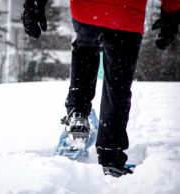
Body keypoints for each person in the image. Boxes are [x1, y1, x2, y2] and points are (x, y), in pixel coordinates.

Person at [22, 0, 180, 177]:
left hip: (87, 9)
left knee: (86, 48)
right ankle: (110, 155)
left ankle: (78, 112)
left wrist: (34, 4)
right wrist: (170, 15)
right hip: (126, 14)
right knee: (117, 85)